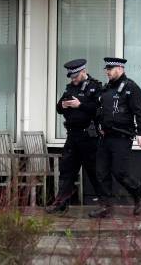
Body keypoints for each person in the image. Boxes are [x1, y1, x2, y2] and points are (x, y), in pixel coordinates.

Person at [88, 57, 141, 218]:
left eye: (110, 69)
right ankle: (105, 207)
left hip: (122, 137)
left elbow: (140, 111)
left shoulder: (131, 87)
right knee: (101, 173)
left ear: (120, 69)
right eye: (106, 69)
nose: (107, 72)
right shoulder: (107, 88)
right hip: (105, 137)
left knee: (120, 172)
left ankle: (139, 194)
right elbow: (100, 110)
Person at [47, 59, 103, 214]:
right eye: (71, 77)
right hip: (72, 135)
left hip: (89, 136)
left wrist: (80, 105)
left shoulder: (95, 87)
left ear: (83, 71)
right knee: (66, 170)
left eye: (75, 76)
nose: (73, 80)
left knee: (94, 171)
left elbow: (99, 110)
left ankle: (105, 204)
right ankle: (61, 203)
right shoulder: (70, 88)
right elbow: (59, 107)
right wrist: (63, 106)